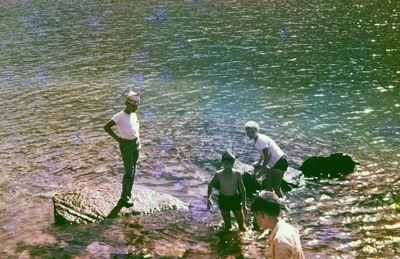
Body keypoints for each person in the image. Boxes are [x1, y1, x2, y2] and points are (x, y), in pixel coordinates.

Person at [104, 91, 141, 208]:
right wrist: (118, 139)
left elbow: (135, 127)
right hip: (126, 145)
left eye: (136, 106)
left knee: (133, 170)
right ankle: (124, 197)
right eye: (132, 106)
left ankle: (129, 193)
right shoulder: (120, 116)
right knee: (129, 171)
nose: (134, 108)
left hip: (136, 144)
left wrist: (137, 139)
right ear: (126, 103)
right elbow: (107, 127)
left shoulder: (134, 115)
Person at [251, 191, 305, 259]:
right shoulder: (289, 229)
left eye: (256, 218)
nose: (257, 222)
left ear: (262, 214)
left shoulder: (280, 241)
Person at [245, 121, 288, 198]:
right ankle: (273, 202)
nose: (250, 134)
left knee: (276, 187)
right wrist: (259, 162)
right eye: (248, 133)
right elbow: (263, 153)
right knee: (268, 185)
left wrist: (262, 169)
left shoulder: (261, 140)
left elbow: (267, 156)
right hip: (277, 163)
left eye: (252, 132)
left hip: (280, 162)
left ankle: (283, 205)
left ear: (257, 131)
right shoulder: (257, 140)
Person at [207, 150, 247, 231]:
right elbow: (210, 185)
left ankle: (245, 241)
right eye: (226, 164)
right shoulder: (219, 174)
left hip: (235, 199)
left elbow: (242, 189)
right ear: (222, 163)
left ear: (234, 163)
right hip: (223, 200)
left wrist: (244, 204)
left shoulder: (237, 174)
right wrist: (209, 198)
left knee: (242, 226)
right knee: (228, 226)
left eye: (231, 164)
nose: (228, 166)